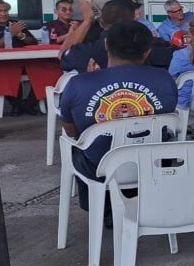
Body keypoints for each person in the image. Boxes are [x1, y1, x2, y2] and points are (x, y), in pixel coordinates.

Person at [58, 20, 178, 217]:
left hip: (101, 169)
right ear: (147, 51)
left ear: (106, 45)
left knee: (76, 148)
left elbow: (72, 133)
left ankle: (104, 210)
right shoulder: (165, 78)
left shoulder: (78, 84)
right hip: (152, 164)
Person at [0, 0, 40, 115]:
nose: (4, 13)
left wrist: (21, 35)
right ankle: (17, 106)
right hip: (1, 64)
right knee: (8, 72)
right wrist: (10, 34)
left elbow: (33, 43)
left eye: (6, 10)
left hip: (24, 62)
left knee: (44, 71)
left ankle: (29, 105)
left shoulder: (16, 24)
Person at [58, 0, 135, 73]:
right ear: (133, 19)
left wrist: (87, 20)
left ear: (101, 22)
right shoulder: (144, 45)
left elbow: (62, 55)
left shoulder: (90, 50)